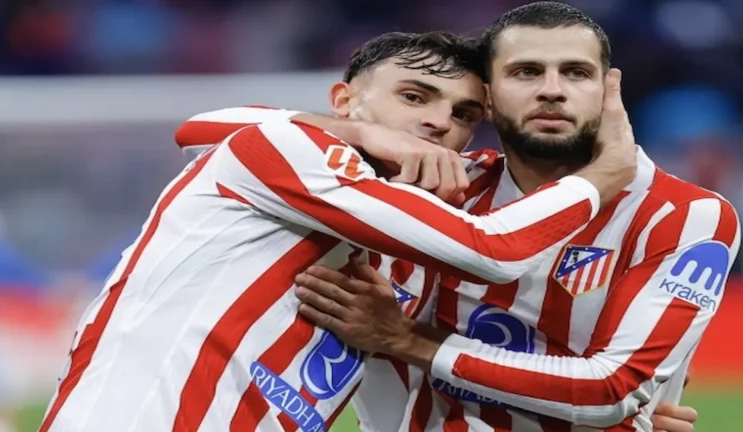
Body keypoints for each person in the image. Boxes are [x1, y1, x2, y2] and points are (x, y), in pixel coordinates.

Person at [39, 31, 636, 432]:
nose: (437, 122)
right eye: (414, 96)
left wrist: (590, 416)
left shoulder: (398, 243)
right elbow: (496, 251)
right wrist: (603, 175)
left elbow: (440, 363)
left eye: (463, 115)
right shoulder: (289, 146)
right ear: (344, 101)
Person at [172, 13, 706, 432]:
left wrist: (409, 341)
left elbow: (611, 389)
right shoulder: (436, 187)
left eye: (575, 72)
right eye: (526, 72)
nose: (551, 89)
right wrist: (366, 134)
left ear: (607, 89)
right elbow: (202, 129)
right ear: (491, 102)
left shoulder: (685, 215)